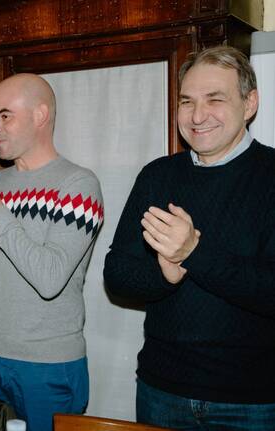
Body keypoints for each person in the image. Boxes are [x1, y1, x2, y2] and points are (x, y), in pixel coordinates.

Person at [103, 45, 275, 430]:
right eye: (186, 101)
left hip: (254, 401)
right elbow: (115, 273)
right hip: (161, 390)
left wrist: (194, 252)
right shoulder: (157, 176)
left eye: (215, 99)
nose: (197, 116)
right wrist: (165, 275)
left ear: (250, 103)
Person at [0, 73, 104, 431]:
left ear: (40, 115)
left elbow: (49, 278)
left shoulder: (78, 184)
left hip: (48, 364)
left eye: (5, 115)